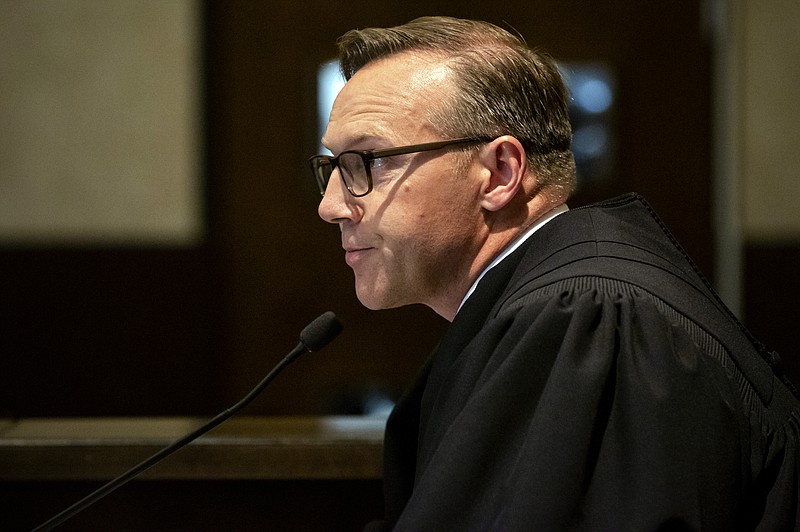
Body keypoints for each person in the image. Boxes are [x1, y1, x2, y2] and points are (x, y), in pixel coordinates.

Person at [309, 16, 800, 531]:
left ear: (499, 174)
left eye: (368, 161)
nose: (331, 205)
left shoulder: (590, 320)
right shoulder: (543, 303)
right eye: (332, 167)